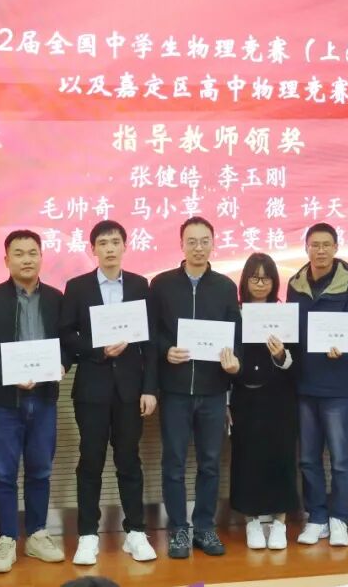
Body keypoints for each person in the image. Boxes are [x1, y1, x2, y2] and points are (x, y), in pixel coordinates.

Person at [0, 229, 72, 573]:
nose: (26, 259)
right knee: (3, 473)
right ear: (6, 260)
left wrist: (63, 364)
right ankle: (7, 538)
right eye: (19, 253)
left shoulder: (56, 298)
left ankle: (37, 535)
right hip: (4, 401)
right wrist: (7, 374)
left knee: (40, 470)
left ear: (41, 257)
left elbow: (68, 342)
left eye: (32, 252)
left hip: (44, 399)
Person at [59, 220, 158, 565]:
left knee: (129, 460)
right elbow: (66, 334)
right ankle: (88, 535)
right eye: (103, 243)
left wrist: (150, 388)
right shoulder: (78, 287)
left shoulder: (140, 285)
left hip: (131, 390)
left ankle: (135, 532)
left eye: (115, 241)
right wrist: (98, 350)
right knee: (91, 461)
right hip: (92, 389)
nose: (110, 248)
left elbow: (150, 342)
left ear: (125, 246)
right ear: (93, 249)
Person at [149, 216, 241, 559]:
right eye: (192, 241)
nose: (198, 248)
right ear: (181, 244)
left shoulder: (225, 286)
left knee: (210, 463)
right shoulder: (161, 285)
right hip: (174, 391)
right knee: (173, 462)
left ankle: (204, 526)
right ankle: (177, 529)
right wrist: (165, 350)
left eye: (205, 241)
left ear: (213, 244)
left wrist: (234, 363)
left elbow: (235, 333)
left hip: (213, 391)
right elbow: (152, 332)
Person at [286, 222, 348, 548]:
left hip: (338, 385)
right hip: (304, 383)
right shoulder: (295, 284)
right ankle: (316, 517)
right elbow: (292, 330)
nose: (320, 251)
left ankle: (339, 519)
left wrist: (343, 346)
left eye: (326, 245)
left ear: (336, 248)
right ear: (306, 248)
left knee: (340, 458)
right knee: (308, 458)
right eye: (314, 245)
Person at [229, 252, 299, 551]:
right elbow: (226, 357)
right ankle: (252, 521)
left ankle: (280, 522)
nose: (260, 283)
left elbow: (295, 363)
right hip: (245, 397)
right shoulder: (234, 313)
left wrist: (281, 354)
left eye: (266, 278)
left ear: (274, 282)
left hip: (279, 397)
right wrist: (226, 398)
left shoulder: (284, 314)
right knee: (247, 458)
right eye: (255, 277)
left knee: (281, 456)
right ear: (245, 281)